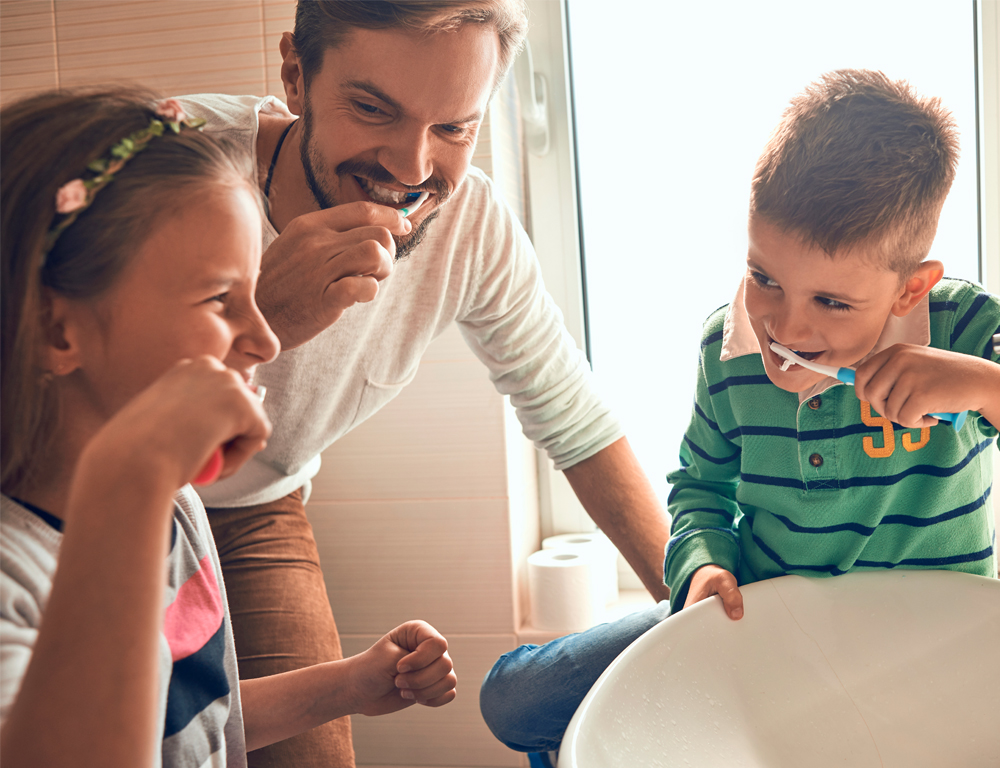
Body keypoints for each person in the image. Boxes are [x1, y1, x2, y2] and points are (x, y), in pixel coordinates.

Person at [175, 2, 673, 765]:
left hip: (254, 505)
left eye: (454, 129)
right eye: (373, 108)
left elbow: (574, 422)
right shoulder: (176, 172)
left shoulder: (472, 228)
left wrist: (687, 605)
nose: (411, 168)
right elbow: (47, 407)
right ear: (296, 76)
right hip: (92, 500)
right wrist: (261, 317)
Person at [478, 68, 1000, 756]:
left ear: (911, 291)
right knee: (513, 699)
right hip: (761, 618)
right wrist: (700, 563)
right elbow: (700, 486)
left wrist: (980, 385)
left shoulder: (964, 325)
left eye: (832, 303)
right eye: (765, 278)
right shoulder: (727, 352)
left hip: (925, 639)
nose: (785, 325)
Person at [0, 89, 457, 768]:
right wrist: (130, 483)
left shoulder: (177, 509)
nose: (264, 340)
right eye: (221, 299)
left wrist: (350, 684)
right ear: (55, 329)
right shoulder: (17, 574)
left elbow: (191, 714)